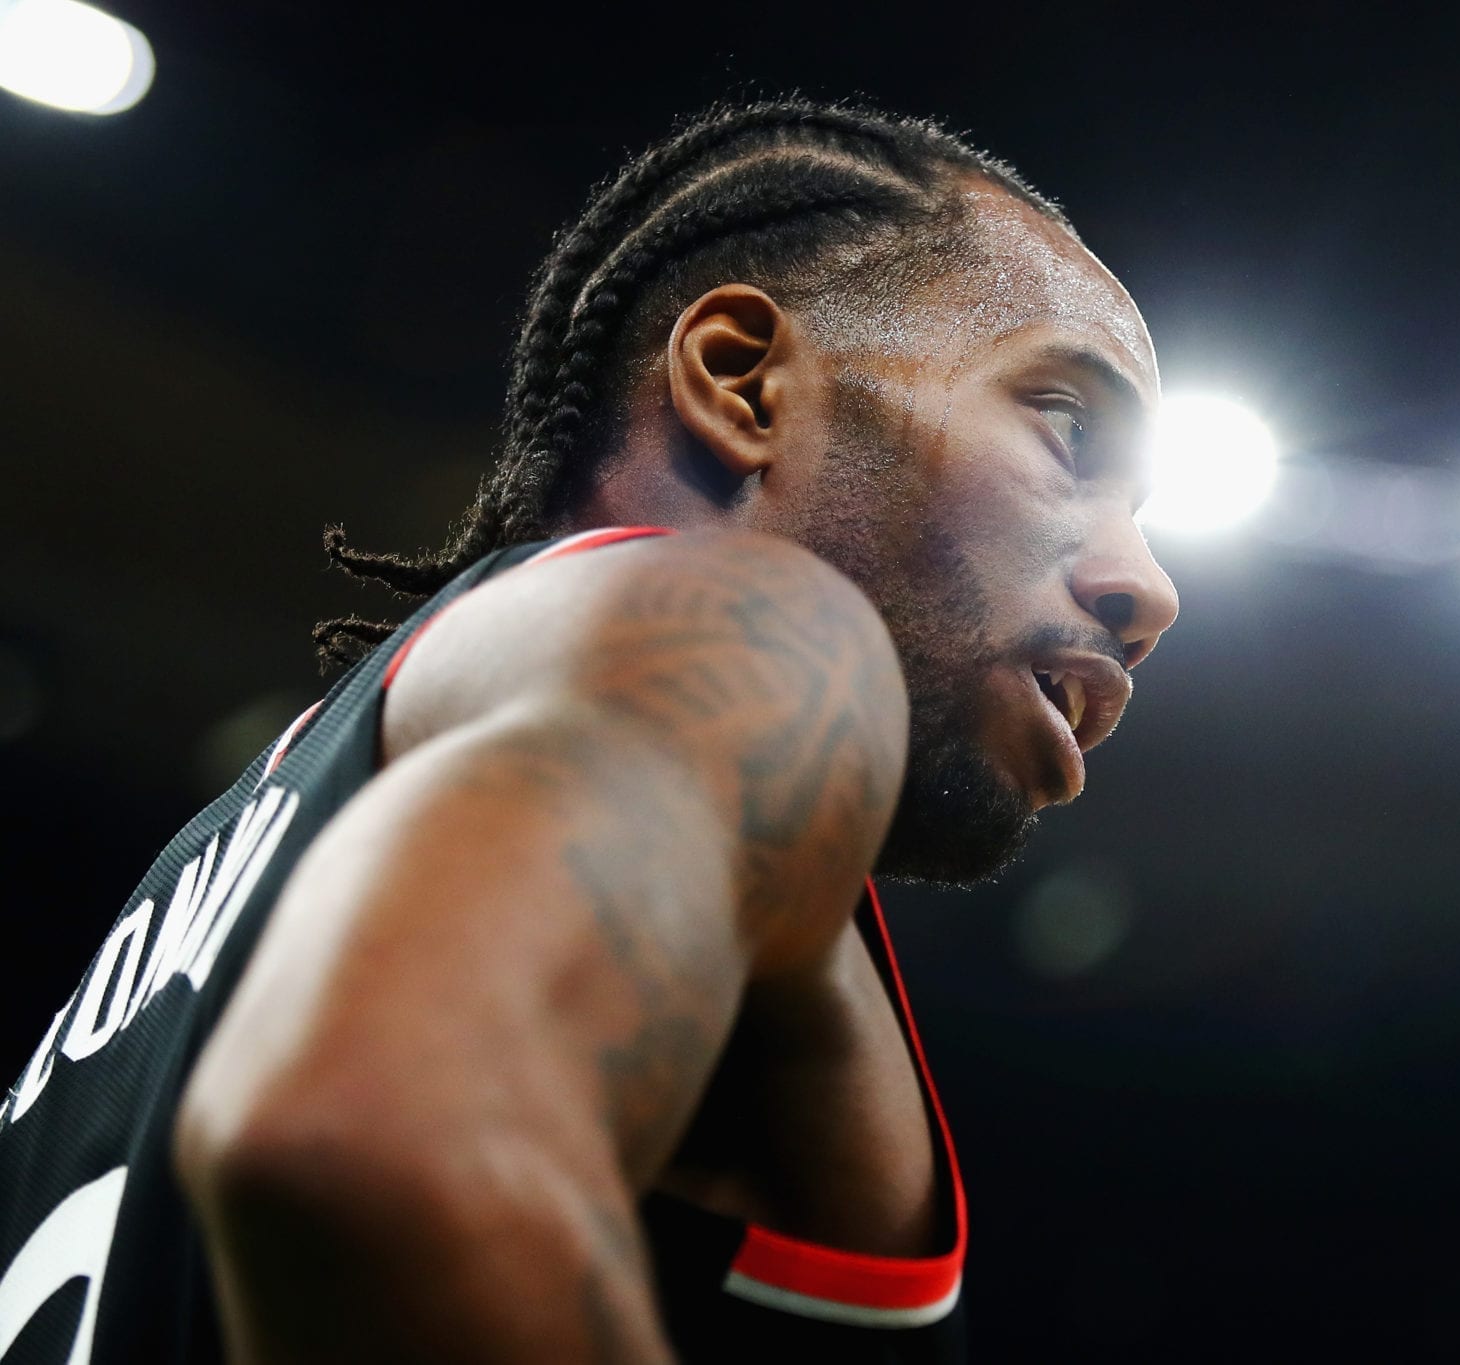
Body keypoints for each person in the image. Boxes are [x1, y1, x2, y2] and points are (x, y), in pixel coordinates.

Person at [0, 100, 1177, 1363]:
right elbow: (382, 1143)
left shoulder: (191, 894)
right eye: (1066, 429)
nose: (1148, 588)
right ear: (740, 382)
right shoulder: (748, 641)